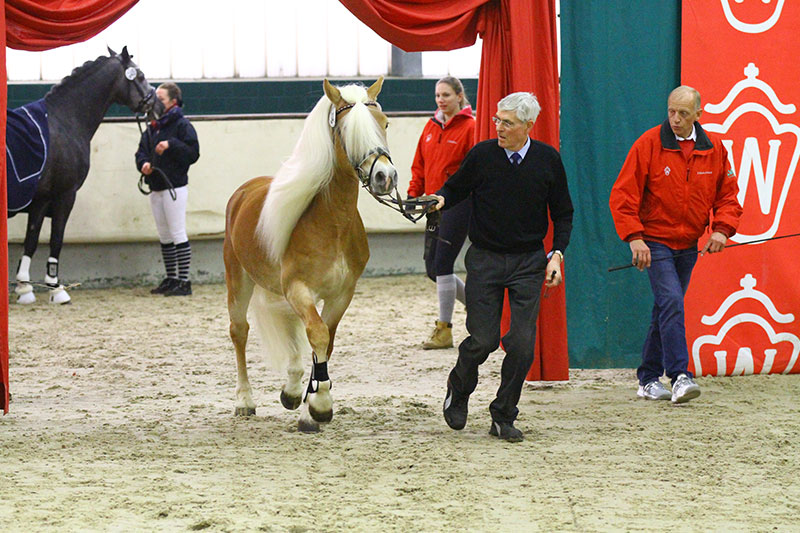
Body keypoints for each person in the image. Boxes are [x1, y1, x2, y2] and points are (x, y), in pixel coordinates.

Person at [430, 92, 573, 442]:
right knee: (484, 340)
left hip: (528, 263)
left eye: (507, 122)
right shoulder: (482, 155)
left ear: (528, 125)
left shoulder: (548, 160)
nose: (498, 127)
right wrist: (440, 199)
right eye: (497, 120)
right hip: (485, 260)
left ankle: (503, 415)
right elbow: (455, 188)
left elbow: (563, 213)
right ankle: (459, 388)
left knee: (522, 346)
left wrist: (556, 254)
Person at [609, 85, 742, 404]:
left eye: (683, 113)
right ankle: (680, 375)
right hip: (655, 241)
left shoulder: (715, 148)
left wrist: (722, 230)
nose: (675, 119)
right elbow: (623, 195)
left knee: (665, 307)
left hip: (689, 244)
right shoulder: (648, 144)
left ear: (698, 114)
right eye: (671, 111)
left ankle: (647, 378)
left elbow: (728, 196)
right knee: (671, 301)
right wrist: (635, 237)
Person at [408, 76, 476, 350]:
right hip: (433, 206)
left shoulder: (470, 127)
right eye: (438, 95)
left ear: (459, 96)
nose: (440, 100)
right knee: (433, 269)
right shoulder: (430, 126)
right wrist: (414, 194)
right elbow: (419, 164)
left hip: (459, 204)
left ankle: (444, 329)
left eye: (446, 95)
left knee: (443, 264)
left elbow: (473, 170)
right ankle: (478, 306)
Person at [135, 82, 200, 297]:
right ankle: (172, 278)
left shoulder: (182, 125)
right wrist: (143, 164)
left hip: (174, 186)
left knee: (177, 232)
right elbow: (141, 152)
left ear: (172, 102)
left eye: (160, 99)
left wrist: (171, 144)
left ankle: (184, 280)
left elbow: (193, 153)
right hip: (156, 186)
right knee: (164, 235)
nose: (156, 102)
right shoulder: (153, 127)